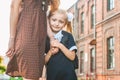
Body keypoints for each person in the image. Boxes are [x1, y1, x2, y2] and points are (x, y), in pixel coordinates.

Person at [5, 0, 60, 80]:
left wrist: (51, 37)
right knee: (31, 76)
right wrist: (12, 38)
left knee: (37, 77)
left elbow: (44, 17)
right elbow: (14, 7)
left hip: (40, 41)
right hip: (27, 37)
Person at [45, 9, 78, 80]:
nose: (57, 24)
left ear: (65, 24)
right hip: (52, 76)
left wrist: (60, 45)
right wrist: (50, 52)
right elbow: (44, 61)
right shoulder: (45, 39)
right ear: (48, 20)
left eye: (61, 22)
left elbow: (72, 57)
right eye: (54, 20)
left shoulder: (68, 36)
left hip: (69, 76)